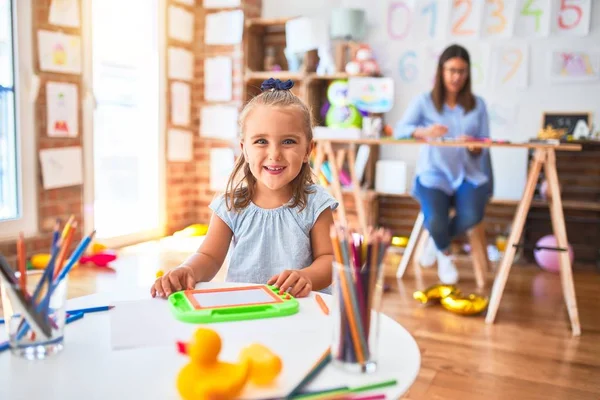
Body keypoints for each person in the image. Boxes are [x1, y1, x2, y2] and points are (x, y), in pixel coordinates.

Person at [151, 78, 338, 299]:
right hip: (246, 308)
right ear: (245, 150)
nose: (274, 154)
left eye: (288, 141)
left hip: (301, 310)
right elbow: (209, 256)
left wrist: (307, 276)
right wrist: (187, 269)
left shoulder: (316, 203)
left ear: (308, 150)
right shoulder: (231, 205)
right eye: (261, 141)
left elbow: (329, 259)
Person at [394, 44, 492, 284]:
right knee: (435, 218)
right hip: (433, 175)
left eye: (461, 71)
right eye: (451, 70)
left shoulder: (477, 106)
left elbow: (484, 144)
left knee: (471, 215)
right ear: (441, 71)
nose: (456, 76)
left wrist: (474, 144)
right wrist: (425, 131)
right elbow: (399, 131)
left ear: (467, 74)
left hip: (467, 175)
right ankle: (445, 253)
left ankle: (437, 241)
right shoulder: (424, 102)